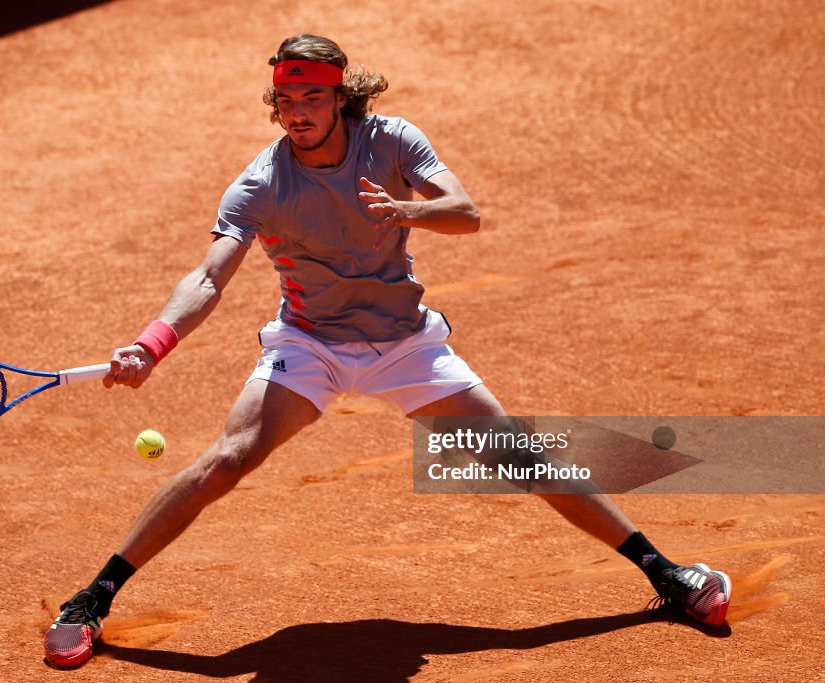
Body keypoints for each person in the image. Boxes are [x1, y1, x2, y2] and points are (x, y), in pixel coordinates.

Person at [43, 34, 731, 669]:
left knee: (524, 457)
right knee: (227, 458)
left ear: (340, 97)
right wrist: (151, 343)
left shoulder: (392, 142)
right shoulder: (260, 184)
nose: (298, 112)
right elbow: (206, 276)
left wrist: (410, 211)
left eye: (312, 97)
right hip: (311, 343)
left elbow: (466, 209)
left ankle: (666, 575)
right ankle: (94, 596)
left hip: (405, 343)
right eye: (286, 100)